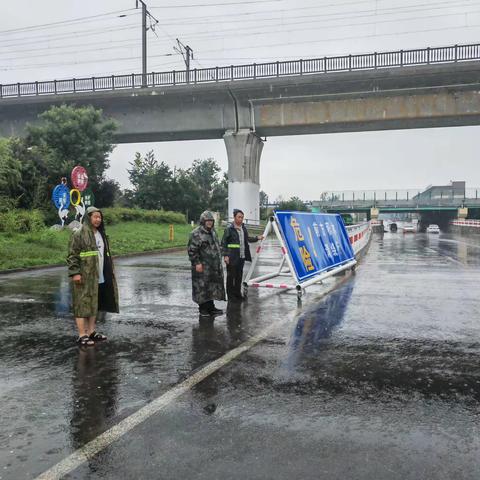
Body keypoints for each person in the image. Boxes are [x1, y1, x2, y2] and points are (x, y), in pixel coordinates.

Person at [67, 206, 119, 346]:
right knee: (81, 304)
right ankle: (82, 334)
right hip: (84, 275)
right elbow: (72, 255)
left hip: (98, 274)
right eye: (95, 217)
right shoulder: (79, 233)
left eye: (99, 217)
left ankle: (91, 331)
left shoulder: (101, 234)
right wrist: (75, 273)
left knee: (93, 304)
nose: (98, 220)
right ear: (88, 218)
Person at [188, 211, 226, 317]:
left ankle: (211, 307)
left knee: (211, 287)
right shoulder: (196, 233)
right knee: (202, 288)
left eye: (211, 221)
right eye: (207, 221)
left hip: (213, 267)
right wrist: (197, 263)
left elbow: (217, 246)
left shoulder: (213, 232)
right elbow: (192, 250)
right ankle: (203, 309)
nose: (209, 223)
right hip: (202, 267)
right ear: (203, 221)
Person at [222, 209, 264, 301]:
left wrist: (257, 238)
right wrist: (225, 255)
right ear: (234, 217)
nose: (241, 219)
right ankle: (231, 296)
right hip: (232, 257)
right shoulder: (229, 229)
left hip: (241, 257)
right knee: (231, 278)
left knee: (239, 277)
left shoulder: (243, 228)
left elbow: (247, 239)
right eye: (239, 217)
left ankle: (237, 294)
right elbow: (224, 243)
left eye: (242, 217)